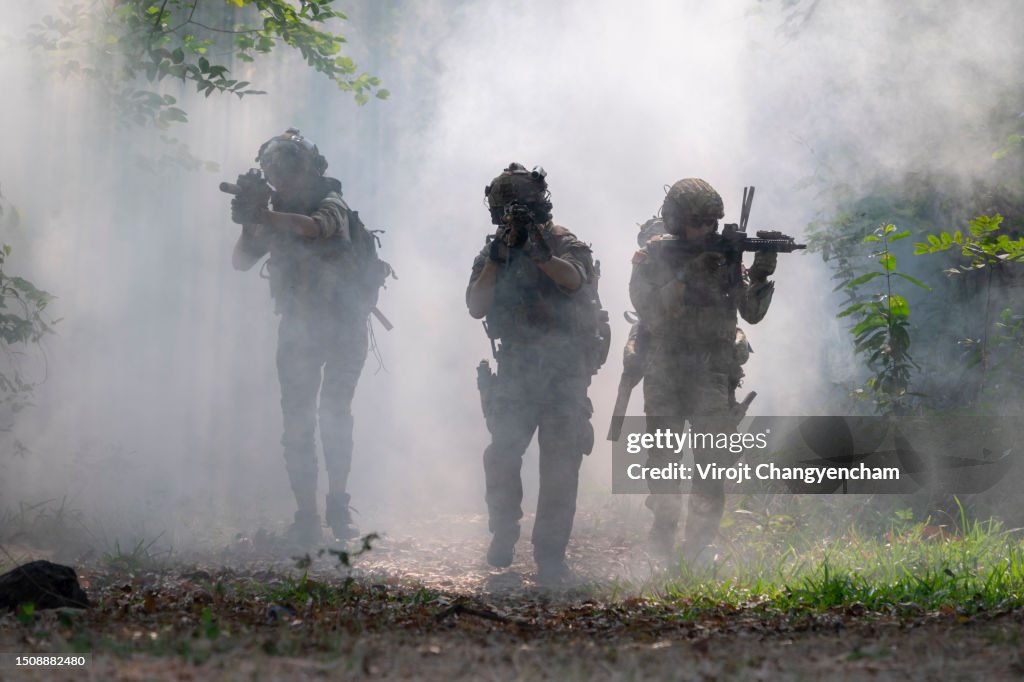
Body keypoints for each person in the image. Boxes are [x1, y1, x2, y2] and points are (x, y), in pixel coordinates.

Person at [228, 128, 388, 545]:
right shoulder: (276, 211)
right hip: (299, 325)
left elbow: (317, 228)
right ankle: (306, 515)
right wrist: (251, 223)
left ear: (309, 168)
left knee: (335, 414)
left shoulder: (330, 201)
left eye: (288, 166)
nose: (280, 175)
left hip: (343, 325)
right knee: (296, 421)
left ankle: (337, 505)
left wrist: (264, 217)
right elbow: (241, 262)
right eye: (273, 168)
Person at [467, 162, 601, 585]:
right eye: (508, 211)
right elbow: (476, 305)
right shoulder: (494, 251)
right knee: (501, 455)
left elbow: (575, 280)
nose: (516, 217)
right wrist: (498, 254)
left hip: (564, 370)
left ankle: (550, 556)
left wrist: (540, 254)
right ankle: (504, 530)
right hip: (518, 368)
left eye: (522, 209)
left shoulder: (565, 243)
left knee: (560, 465)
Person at [628, 178, 776, 562]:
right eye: (698, 222)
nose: (707, 230)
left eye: (712, 222)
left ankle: (699, 547)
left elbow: (752, 314)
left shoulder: (724, 256)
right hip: (666, 370)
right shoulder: (653, 258)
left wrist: (758, 274)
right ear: (676, 222)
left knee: (712, 463)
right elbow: (652, 313)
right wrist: (687, 275)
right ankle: (662, 539)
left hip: (712, 372)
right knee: (663, 461)